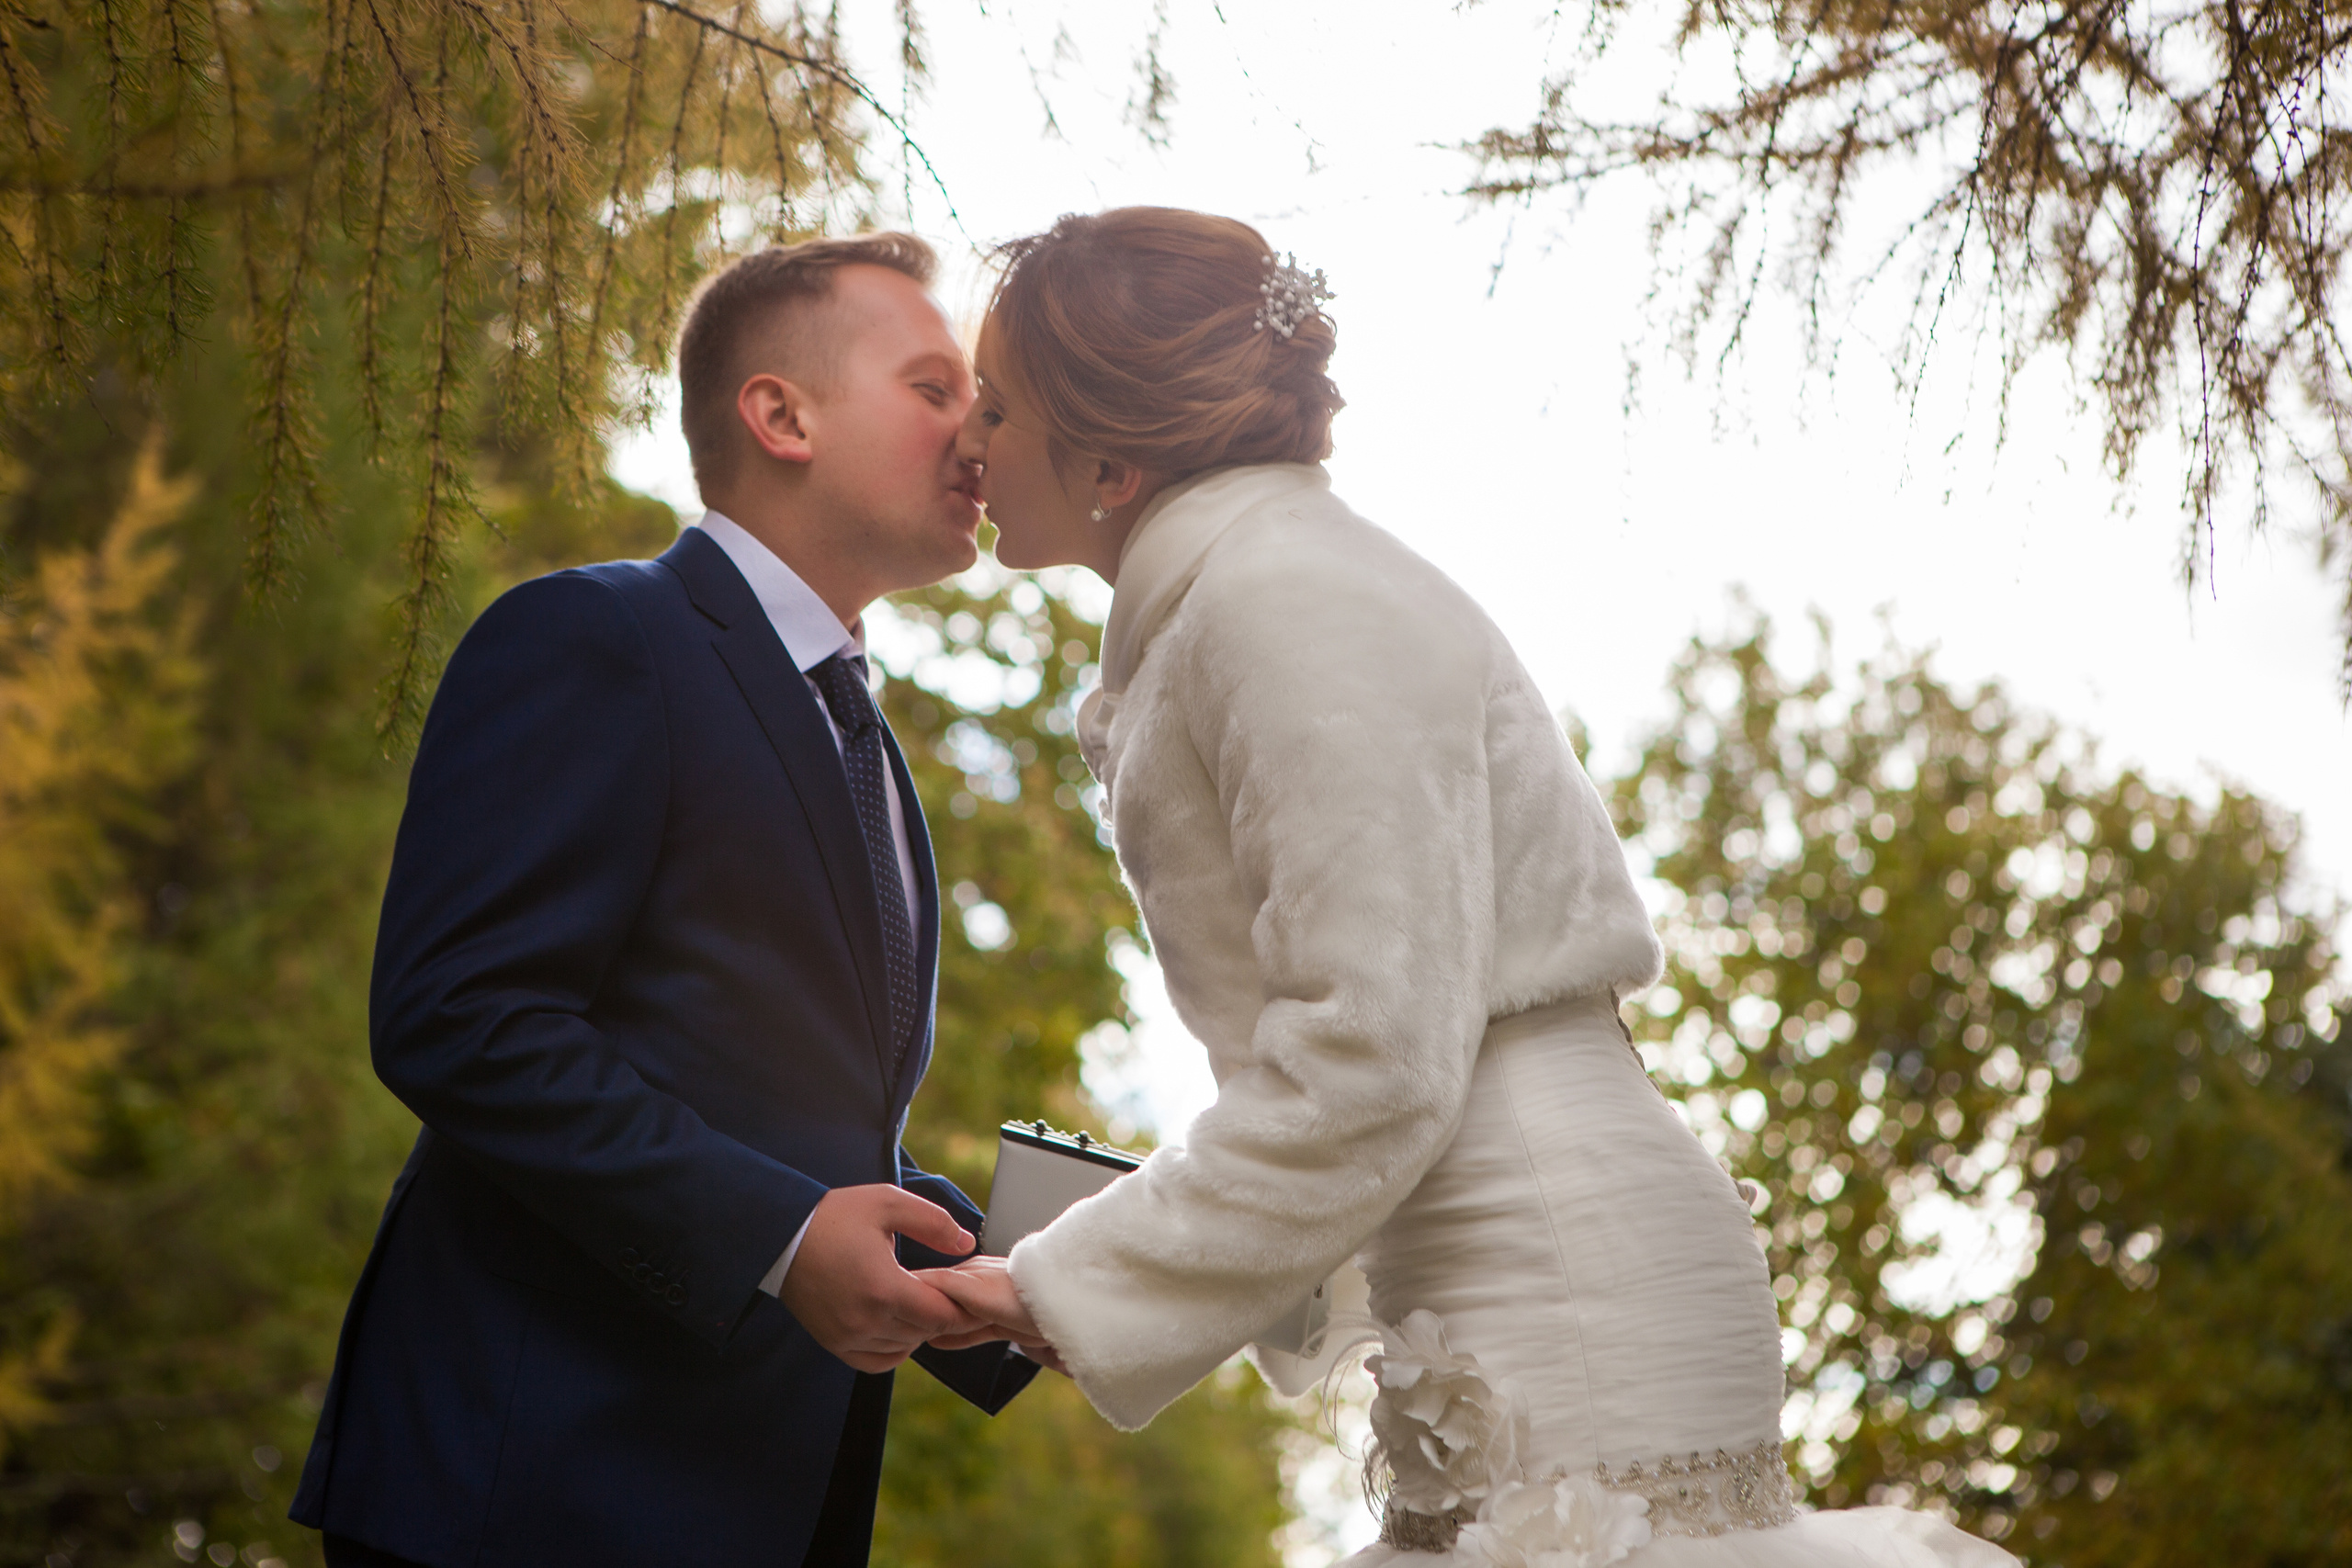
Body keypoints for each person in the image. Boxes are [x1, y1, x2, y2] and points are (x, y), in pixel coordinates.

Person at [924, 208, 2017, 1568]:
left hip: (1560, 1271)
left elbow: (1373, 1058)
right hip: (1463, 1273)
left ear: (1108, 453)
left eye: (998, 405)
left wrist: (1063, 1285)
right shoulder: (1228, 597)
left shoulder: (1285, 595)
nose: (966, 439)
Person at [289, 232, 1042, 1568]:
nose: (980, 429)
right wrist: (781, 1236)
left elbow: (797, 1120)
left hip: (751, 1506)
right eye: (937, 389)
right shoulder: (596, 636)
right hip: (528, 1496)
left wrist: (1066, 1278)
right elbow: (460, 1016)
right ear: (781, 413)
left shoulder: (862, 742)